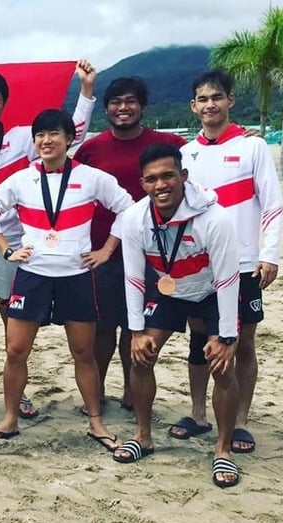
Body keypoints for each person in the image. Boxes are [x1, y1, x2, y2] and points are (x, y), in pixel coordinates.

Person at [0, 60, 97, 417]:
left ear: (4, 102)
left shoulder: (23, 138)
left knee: (12, 321)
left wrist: (86, 92)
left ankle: (18, 391)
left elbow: (72, 135)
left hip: (15, 244)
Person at [0, 109, 132, 445]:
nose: (46, 141)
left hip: (76, 277)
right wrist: (7, 250)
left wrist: (106, 251)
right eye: (40, 135)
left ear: (69, 139)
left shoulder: (91, 177)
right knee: (16, 351)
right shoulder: (21, 179)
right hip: (32, 275)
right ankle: (9, 418)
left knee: (83, 353)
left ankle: (95, 422)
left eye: (53, 134)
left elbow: (128, 208)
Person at [117, 143, 241, 489]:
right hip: (169, 291)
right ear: (142, 184)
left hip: (212, 291)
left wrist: (227, 337)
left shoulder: (215, 218)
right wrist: (137, 330)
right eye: (151, 179)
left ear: (183, 176)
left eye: (168, 176)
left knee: (222, 366)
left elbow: (229, 278)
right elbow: (133, 277)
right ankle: (143, 437)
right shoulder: (133, 219)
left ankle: (223, 448)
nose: (161, 185)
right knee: (140, 357)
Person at [174, 69, 283, 452]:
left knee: (244, 344)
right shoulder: (186, 154)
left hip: (244, 264)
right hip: (198, 267)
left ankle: (240, 422)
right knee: (199, 340)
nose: (210, 105)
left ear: (230, 101)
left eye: (216, 97)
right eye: (202, 99)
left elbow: (271, 204)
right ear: (193, 106)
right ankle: (199, 414)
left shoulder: (254, 147)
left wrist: (269, 255)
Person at [73, 77, 186, 414]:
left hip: (155, 252)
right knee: (103, 328)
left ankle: (132, 389)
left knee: (136, 326)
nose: (123, 108)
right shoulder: (92, 148)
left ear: (142, 106)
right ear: (106, 108)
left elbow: (208, 151)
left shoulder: (167, 143)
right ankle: (99, 389)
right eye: (116, 102)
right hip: (102, 251)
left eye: (130, 101)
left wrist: (242, 135)